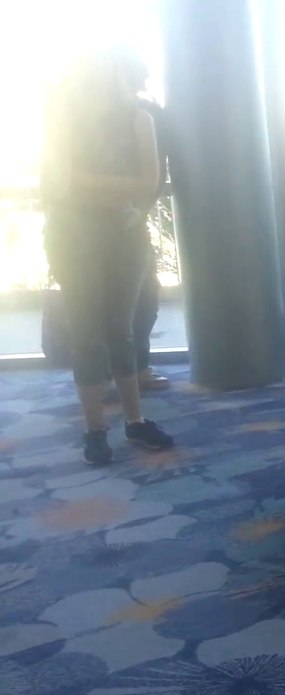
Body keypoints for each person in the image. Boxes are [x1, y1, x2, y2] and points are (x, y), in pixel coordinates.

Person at [40, 48, 175, 466]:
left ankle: (133, 422)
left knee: (123, 331)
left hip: (123, 237)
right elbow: (60, 184)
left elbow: (148, 182)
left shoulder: (141, 118)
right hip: (76, 238)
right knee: (88, 335)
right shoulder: (61, 124)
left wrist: (86, 184)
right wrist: (122, 185)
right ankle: (95, 429)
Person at [118, 47, 170, 392]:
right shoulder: (146, 115)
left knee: (145, 298)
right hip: (113, 220)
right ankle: (127, 370)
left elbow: (157, 171)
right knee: (134, 299)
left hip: (129, 219)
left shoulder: (148, 115)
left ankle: (133, 368)